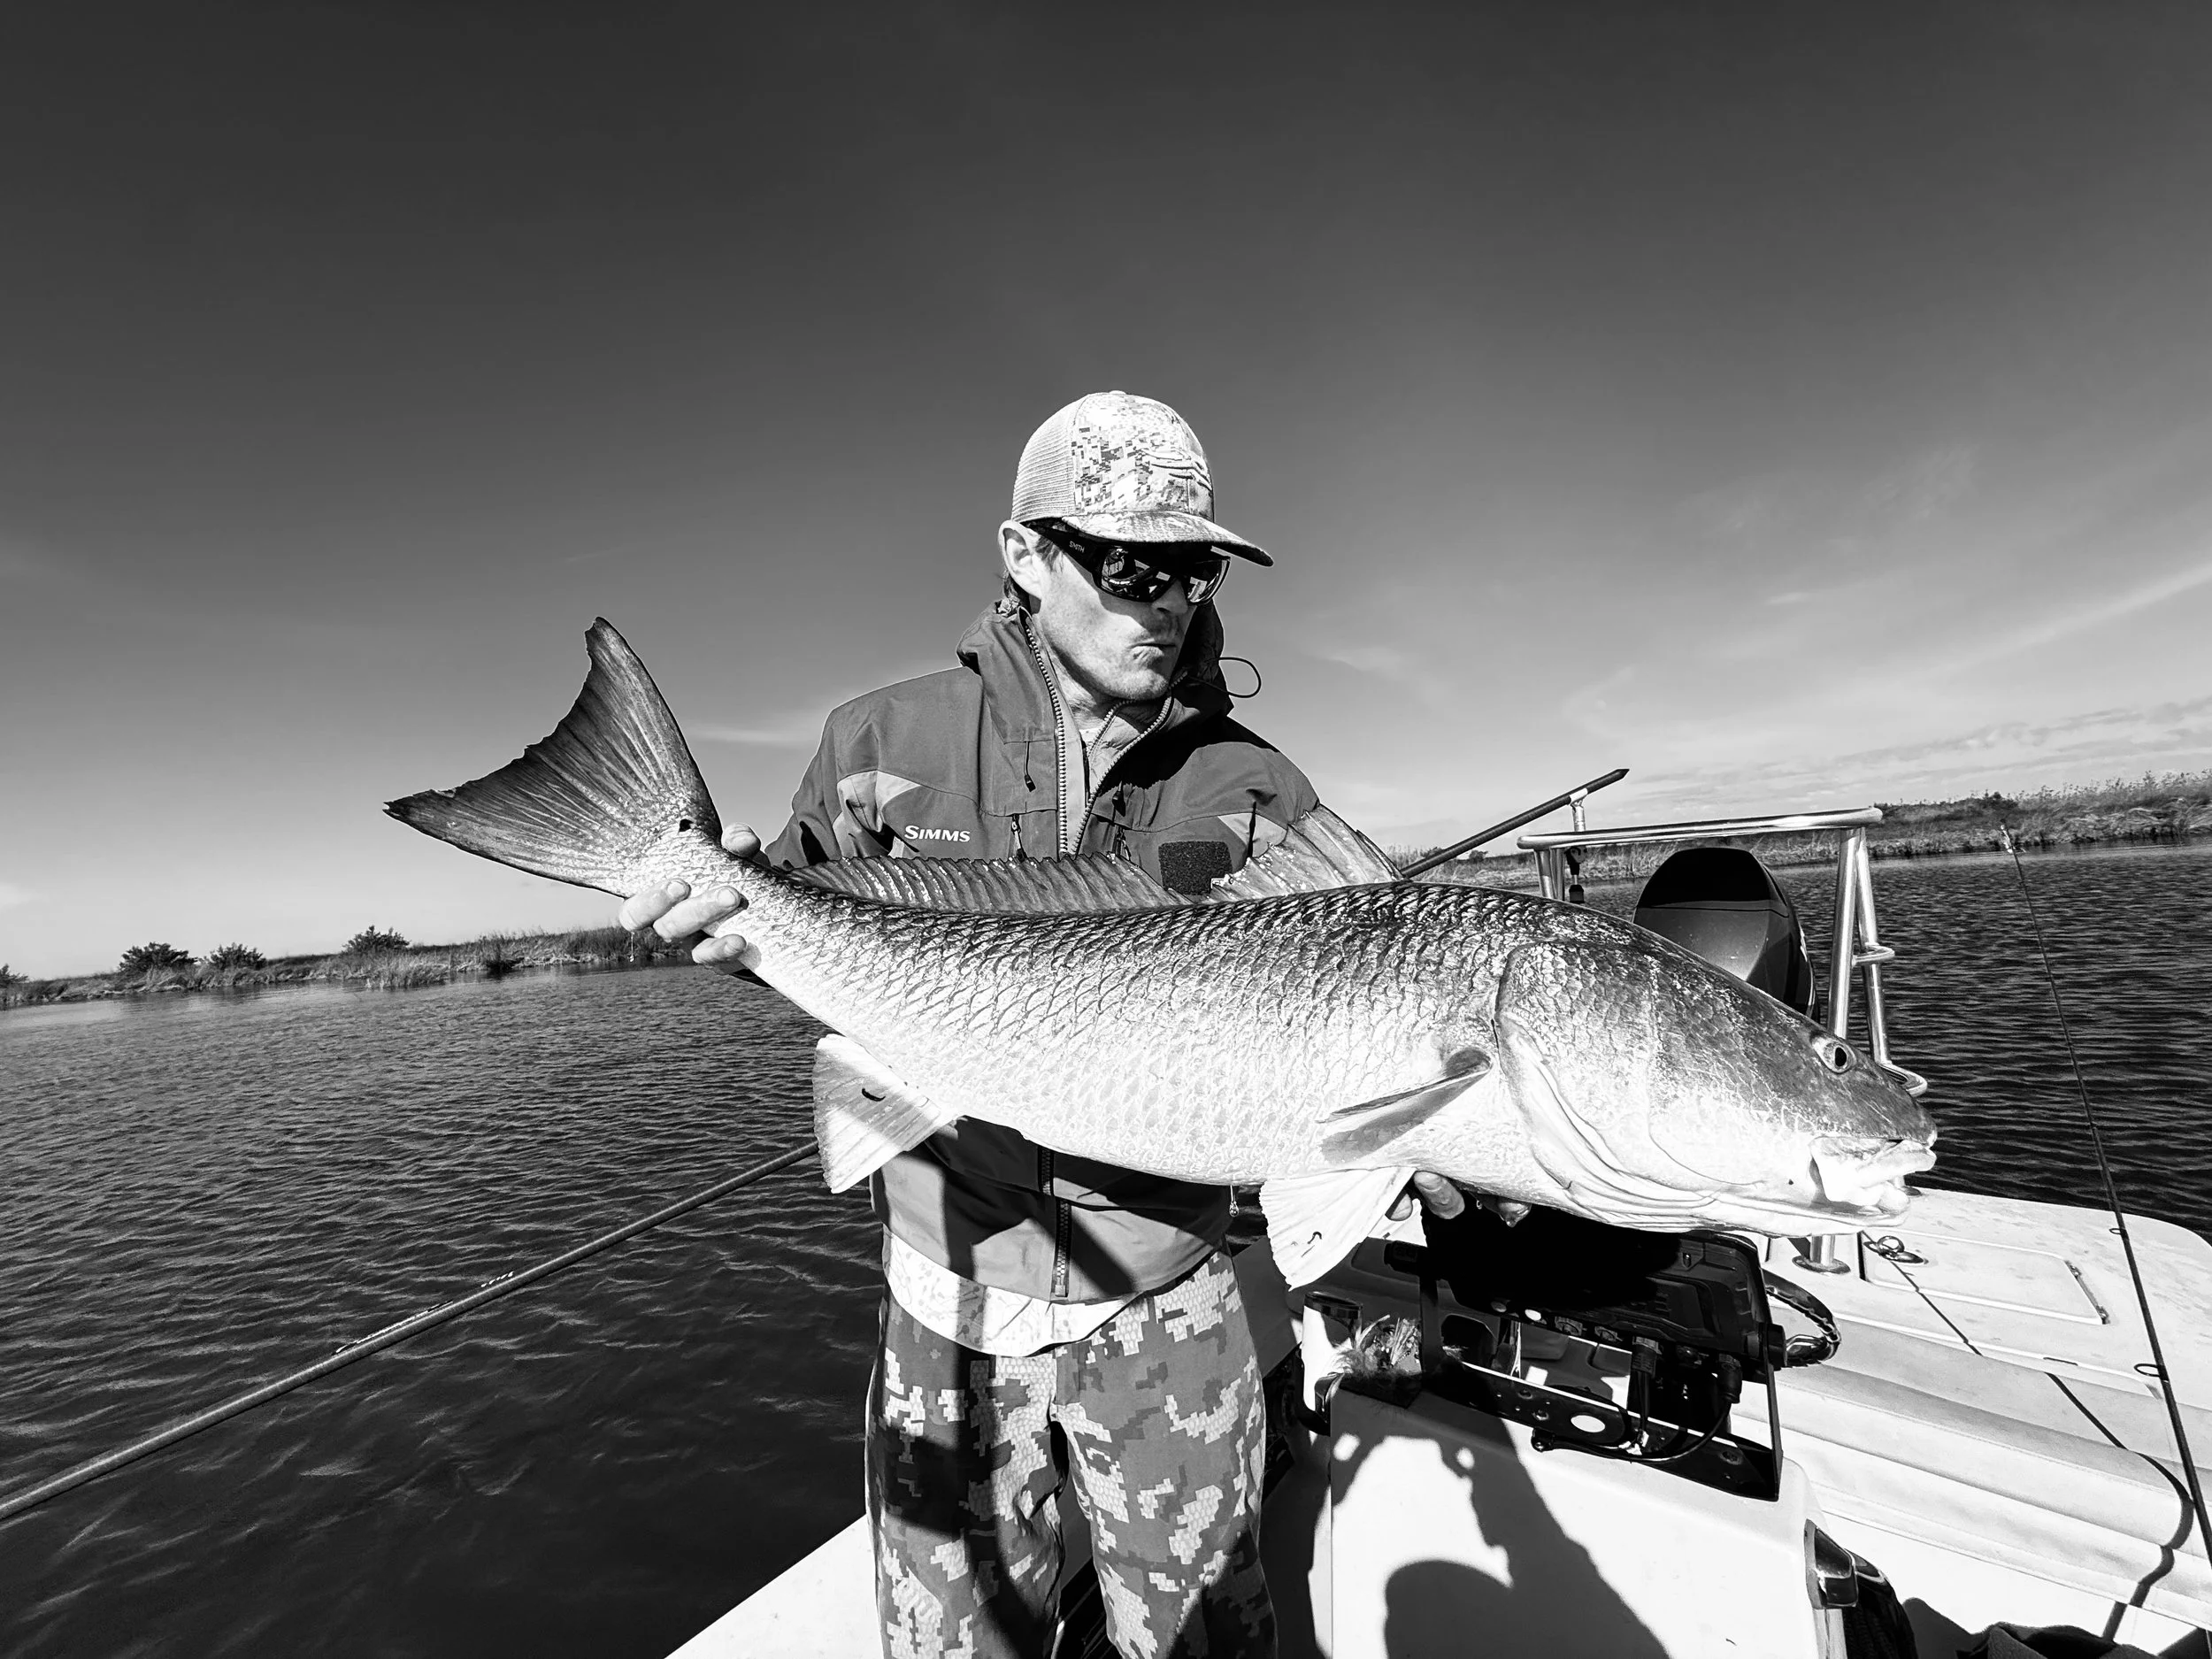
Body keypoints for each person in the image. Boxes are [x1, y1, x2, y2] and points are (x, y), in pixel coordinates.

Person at [622, 391, 1459, 1659]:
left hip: (1171, 1291)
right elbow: (798, 941)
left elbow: (1353, 1009)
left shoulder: (1255, 786)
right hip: (947, 1290)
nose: (1167, 601)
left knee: (1205, 1639)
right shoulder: (876, 740)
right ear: (1023, 554)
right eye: (1130, 566)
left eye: (1194, 569)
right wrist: (722, 909)